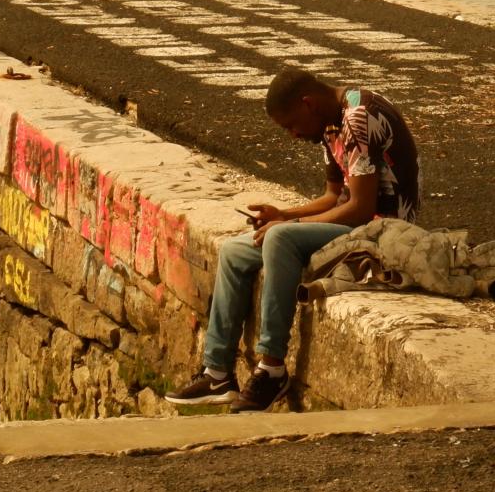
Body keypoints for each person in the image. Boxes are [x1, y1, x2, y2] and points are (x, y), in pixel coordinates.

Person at [166, 66, 422, 412]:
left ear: (308, 104)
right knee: (235, 251)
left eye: (290, 125)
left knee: (280, 240)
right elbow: (335, 196)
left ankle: (271, 368)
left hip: (383, 229)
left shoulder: (358, 118)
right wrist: (282, 215)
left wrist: (291, 226)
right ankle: (218, 372)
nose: (292, 134)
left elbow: (361, 208)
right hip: (354, 223)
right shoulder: (329, 124)